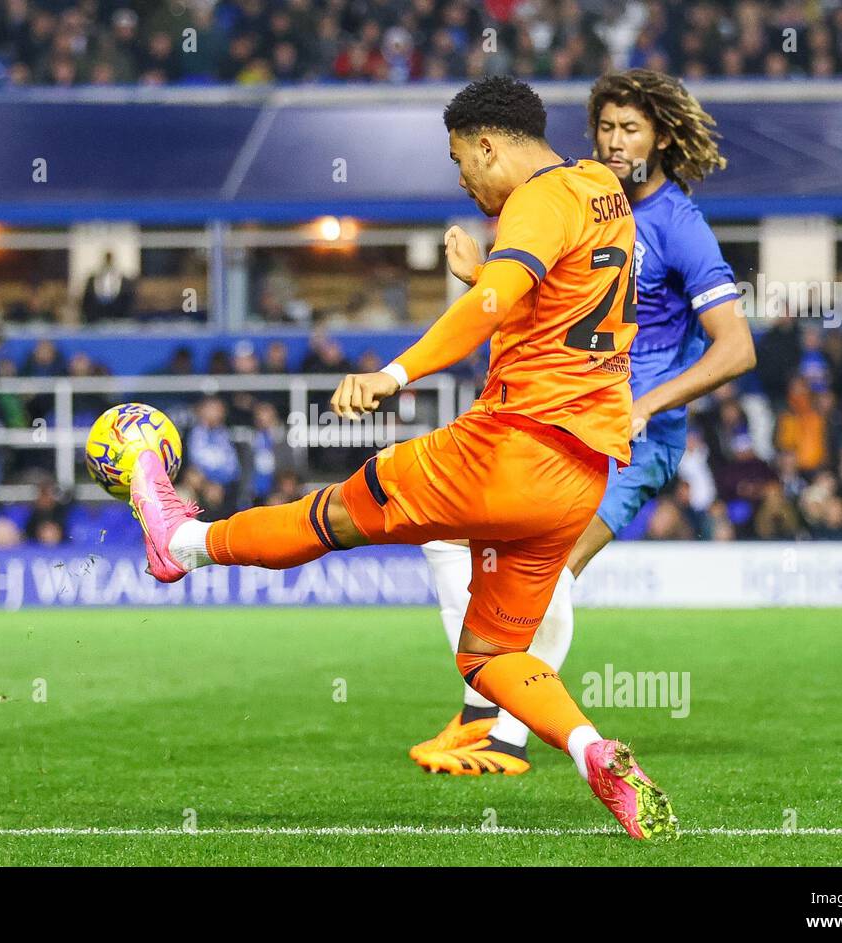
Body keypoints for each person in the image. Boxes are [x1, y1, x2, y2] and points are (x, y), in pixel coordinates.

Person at [125, 77, 673, 840]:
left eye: (460, 161)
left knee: (333, 515)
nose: (462, 179)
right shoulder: (602, 189)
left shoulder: (538, 201)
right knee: (488, 656)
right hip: (578, 478)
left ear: (489, 143)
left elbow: (493, 308)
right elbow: (560, 303)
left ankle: (180, 543)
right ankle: (591, 750)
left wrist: (394, 373)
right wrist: (484, 272)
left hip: (506, 448)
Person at [413, 68, 755, 776]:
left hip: (635, 434)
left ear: (660, 137)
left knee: (549, 572)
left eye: (631, 129)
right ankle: (486, 714)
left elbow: (737, 348)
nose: (615, 141)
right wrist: (483, 280)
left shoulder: (678, 225)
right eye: (604, 127)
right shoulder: (583, 200)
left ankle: (503, 737)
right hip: (572, 419)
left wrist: (646, 405)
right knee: (450, 539)